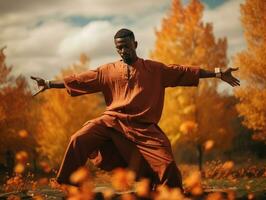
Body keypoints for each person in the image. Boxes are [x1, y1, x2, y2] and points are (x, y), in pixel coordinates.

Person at [31, 28, 240, 190]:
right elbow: (80, 80)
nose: (123, 51)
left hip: (143, 127)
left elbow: (183, 72)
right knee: (79, 138)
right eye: (119, 48)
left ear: (135, 44)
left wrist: (218, 72)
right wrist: (49, 84)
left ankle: (169, 193)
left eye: (126, 46)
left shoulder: (155, 69)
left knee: (167, 165)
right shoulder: (107, 71)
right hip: (111, 121)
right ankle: (68, 183)